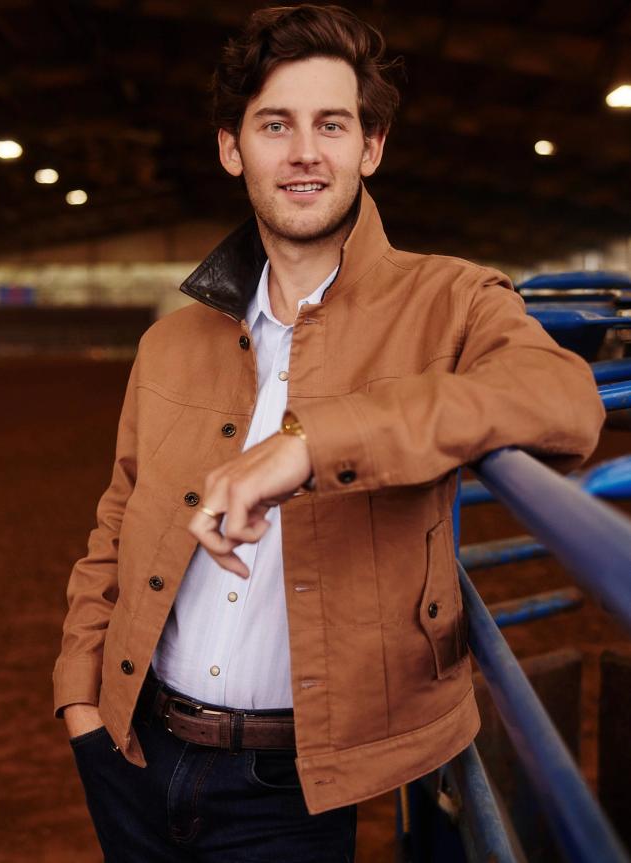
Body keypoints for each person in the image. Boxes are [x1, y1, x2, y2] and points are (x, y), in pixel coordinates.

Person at [53, 5, 605, 862]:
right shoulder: (169, 342)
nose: (304, 151)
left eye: (332, 124)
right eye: (275, 124)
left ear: (370, 147)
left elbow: (565, 399)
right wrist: (80, 704)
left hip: (292, 789)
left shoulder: (452, 299)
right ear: (233, 148)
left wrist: (310, 443)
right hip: (131, 751)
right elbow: (116, 520)